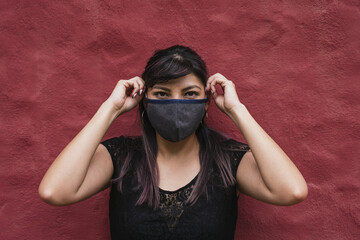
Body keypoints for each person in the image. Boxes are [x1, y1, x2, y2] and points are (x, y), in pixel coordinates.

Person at [38, 45, 308, 239]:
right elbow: (55, 192)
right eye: (163, 93)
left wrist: (237, 110)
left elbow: (292, 191)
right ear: (145, 100)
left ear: (205, 102)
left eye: (190, 94)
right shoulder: (121, 157)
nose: (177, 103)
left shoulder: (227, 160)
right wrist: (111, 108)